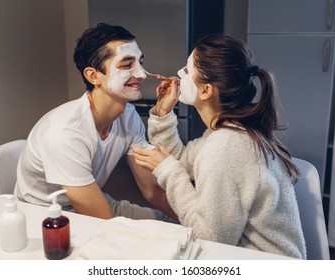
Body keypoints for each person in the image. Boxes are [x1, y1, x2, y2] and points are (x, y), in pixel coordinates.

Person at [131, 34, 307, 259]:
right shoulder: (228, 132)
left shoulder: (227, 147)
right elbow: (183, 164)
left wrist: (168, 171)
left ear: (206, 91)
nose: (178, 75)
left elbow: (211, 237)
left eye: (186, 70)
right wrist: (164, 115)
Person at [14, 22, 176, 221]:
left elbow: (152, 191)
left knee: (169, 225)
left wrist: (194, 223)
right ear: (93, 76)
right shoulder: (65, 134)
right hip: (45, 217)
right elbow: (103, 221)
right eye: (127, 65)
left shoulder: (129, 116)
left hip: (94, 204)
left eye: (140, 62)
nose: (141, 74)